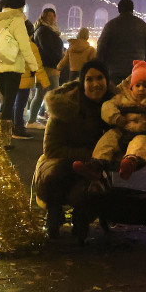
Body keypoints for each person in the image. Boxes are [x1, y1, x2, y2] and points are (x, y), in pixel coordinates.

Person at [33, 60, 116, 237]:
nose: (95, 84)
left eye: (100, 78)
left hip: (93, 166)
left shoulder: (115, 106)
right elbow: (52, 149)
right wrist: (88, 155)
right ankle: (54, 214)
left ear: (107, 80)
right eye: (89, 79)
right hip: (60, 160)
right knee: (55, 176)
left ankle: (81, 219)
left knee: (88, 188)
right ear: (82, 83)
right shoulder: (64, 105)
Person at [74, 60, 146, 181]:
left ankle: (130, 162)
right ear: (131, 87)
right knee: (107, 140)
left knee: (140, 144)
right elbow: (108, 106)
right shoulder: (123, 98)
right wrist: (116, 118)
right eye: (137, 85)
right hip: (123, 129)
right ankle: (96, 164)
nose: (141, 89)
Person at [0, 0, 46, 148]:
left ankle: (0, 136)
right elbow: (25, 46)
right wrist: (34, 67)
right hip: (13, 66)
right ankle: (4, 139)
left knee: (6, 101)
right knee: (9, 102)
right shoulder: (17, 20)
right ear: (20, 7)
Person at [95, 0, 146, 85]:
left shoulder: (111, 25)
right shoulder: (142, 25)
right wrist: (142, 61)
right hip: (136, 71)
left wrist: (102, 66)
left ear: (119, 9)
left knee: (116, 93)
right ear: (132, 9)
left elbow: (101, 47)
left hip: (114, 71)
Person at [26, 7, 64, 127]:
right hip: (48, 67)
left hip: (49, 66)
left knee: (43, 94)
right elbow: (47, 49)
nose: (52, 18)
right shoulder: (43, 30)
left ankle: (34, 120)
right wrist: (57, 62)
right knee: (52, 95)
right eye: (49, 16)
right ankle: (50, 121)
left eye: (53, 16)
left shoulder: (48, 30)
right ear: (43, 17)